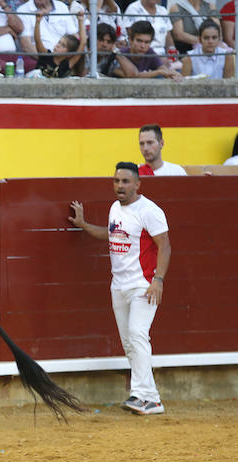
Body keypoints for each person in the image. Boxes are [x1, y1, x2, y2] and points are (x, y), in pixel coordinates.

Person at [68, 161, 171, 416]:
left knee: (137, 335)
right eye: (116, 181)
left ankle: (147, 397)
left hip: (143, 284)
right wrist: (84, 225)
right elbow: (112, 234)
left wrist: (158, 280)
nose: (120, 186)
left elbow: (165, 245)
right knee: (129, 343)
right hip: (119, 284)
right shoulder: (115, 208)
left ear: (137, 184)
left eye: (125, 181)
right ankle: (145, 396)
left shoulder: (149, 210)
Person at [114, 20, 182, 79]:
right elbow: (132, 75)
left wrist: (173, 75)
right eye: (139, 41)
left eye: (147, 42)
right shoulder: (121, 53)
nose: (143, 46)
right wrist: (158, 72)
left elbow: (163, 70)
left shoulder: (149, 52)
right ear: (130, 40)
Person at [31, 8, 86, 77]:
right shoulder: (46, 56)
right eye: (59, 42)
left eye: (63, 45)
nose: (57, 45)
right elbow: (38, 41)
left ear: (69, 54)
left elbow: (83, 43)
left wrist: (80, 20)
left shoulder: (67, 64)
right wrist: (38, 22)